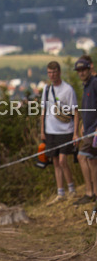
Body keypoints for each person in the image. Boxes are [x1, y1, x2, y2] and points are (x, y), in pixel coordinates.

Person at [41, 60, 78, 200]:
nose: (52, 75)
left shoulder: (68, 89)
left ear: (59, 72)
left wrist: (75, 133)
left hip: (65, 130)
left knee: (63, 161)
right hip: (51, 131)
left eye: (54, 72)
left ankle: (72, 188)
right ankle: (60, 192)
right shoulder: (46, 89)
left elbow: (75, 111)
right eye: (49, 72)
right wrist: (42, 130)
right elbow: (43, 111)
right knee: (55, 162)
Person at [73, 56, 97, 206]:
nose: (81, 73)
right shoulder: (86, 85)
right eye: (79, 70)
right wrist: (82, 125)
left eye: (83, 69)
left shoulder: (95, 83)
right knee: (92, 161)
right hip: (88, 129)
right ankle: (94, 193)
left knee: (82, 156)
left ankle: (89, 193)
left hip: (95, 130)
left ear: (90, 68)